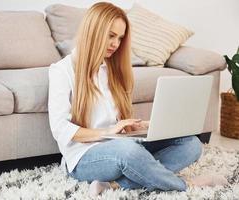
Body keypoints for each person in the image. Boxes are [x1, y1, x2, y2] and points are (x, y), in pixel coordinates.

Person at [48, 2, 227, 197]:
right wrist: (106, 132)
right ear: (93, 31)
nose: (116, 44)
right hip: (84, 158)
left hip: (122, 144)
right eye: (111, 35)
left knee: (191, 144)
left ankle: (114, 185)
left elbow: (118, 125)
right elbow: (60, 129)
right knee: (129, 152)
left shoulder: (111, 70)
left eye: (120, 38)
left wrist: (138, 127)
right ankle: (186, 185)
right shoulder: (62, 71)